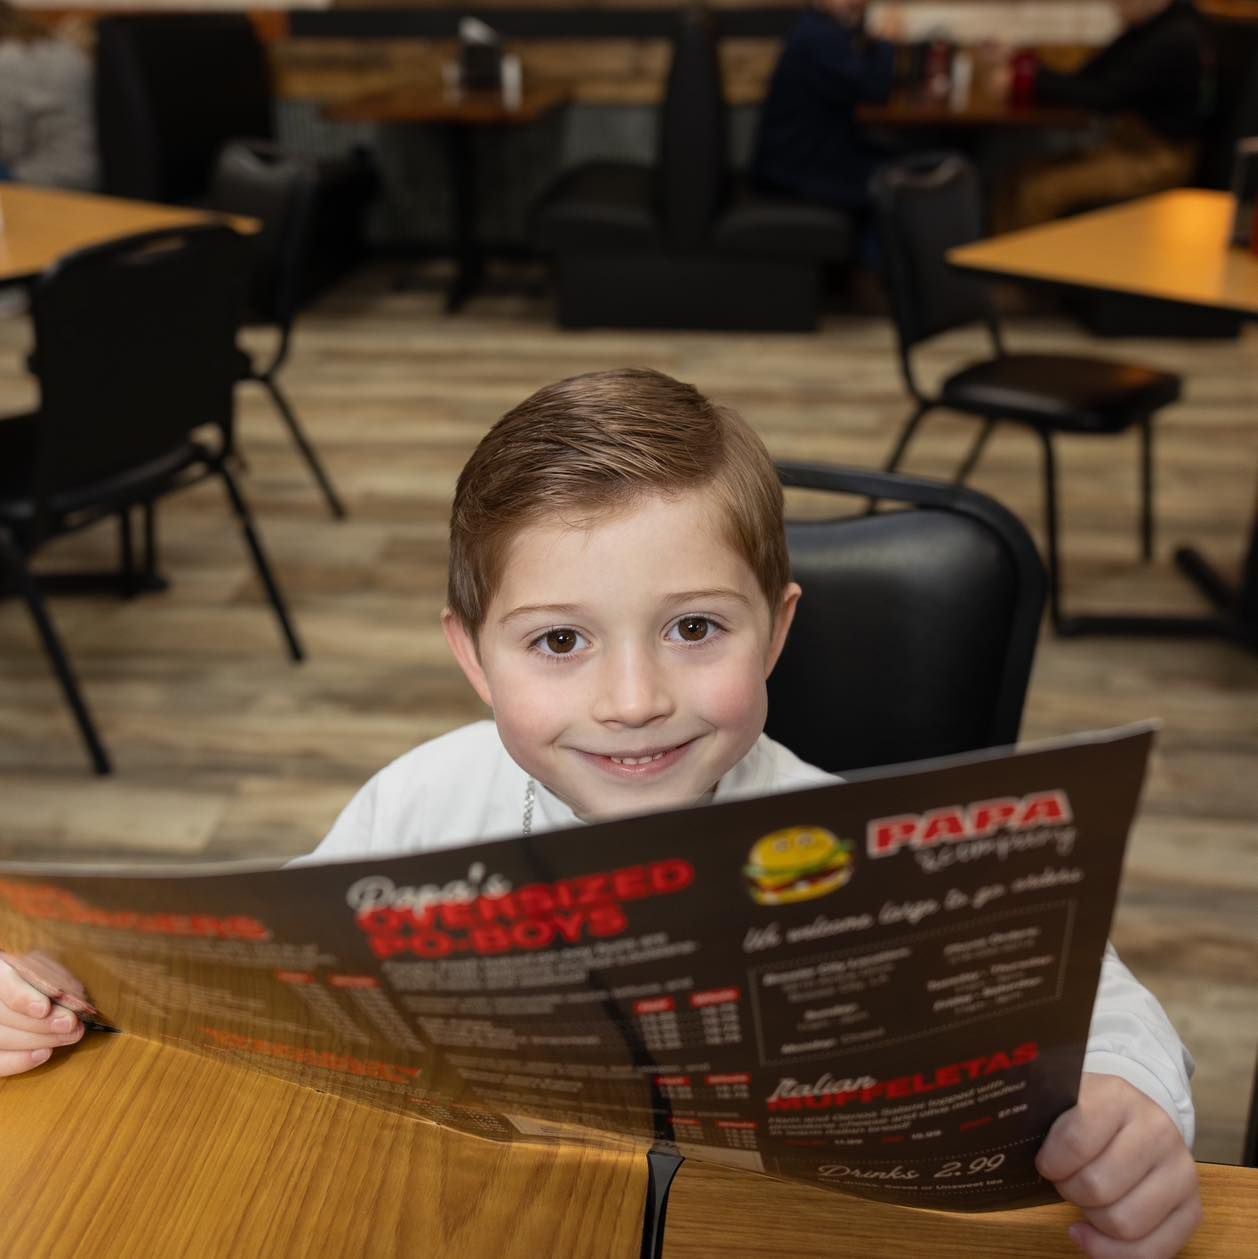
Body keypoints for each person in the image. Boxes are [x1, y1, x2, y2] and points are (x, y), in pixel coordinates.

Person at [0, 368, 1202, 1257]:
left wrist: (1131, 1113)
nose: (634, 701)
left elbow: (1104, 1010)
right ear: (474, 659)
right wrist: (53, 991)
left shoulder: (870, 850)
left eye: (695, 627)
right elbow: (256, 980)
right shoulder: (421, 800)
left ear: (777, 629)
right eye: (560, 640)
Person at [990, 0, 1208, 229]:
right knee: (1016, 178)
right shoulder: (1147, 29)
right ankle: (990, 262)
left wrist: (1028, 80)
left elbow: (1103, 96)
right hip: (1125, 147)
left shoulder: (1176, 36)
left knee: (1039, 192)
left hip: (1156, 161)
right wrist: (1023, 68)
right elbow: (1086, 78)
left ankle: (1021, 262)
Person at [751, 0, 897, 212]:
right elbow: (875, 90)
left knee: (893, 160)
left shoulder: (822, 27)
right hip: (795, 172)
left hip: (805, 160)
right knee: (894, 185)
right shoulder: (818, 36)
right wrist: (886, 40)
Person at [0, 2, 97, 190]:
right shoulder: (63, 48)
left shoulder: (8, 61)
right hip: (88, 167)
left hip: (48, 176)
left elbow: (8, 147)